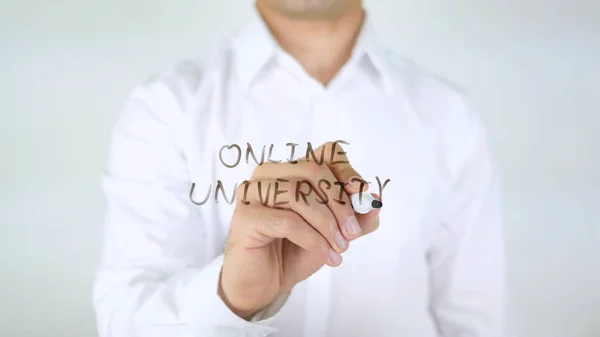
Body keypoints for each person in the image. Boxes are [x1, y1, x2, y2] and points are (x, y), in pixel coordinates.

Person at [93, 0, 508, 336]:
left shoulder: (450, 117)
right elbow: (124, 318)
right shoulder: (166, 109)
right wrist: (232, 297)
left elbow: (473, 322)